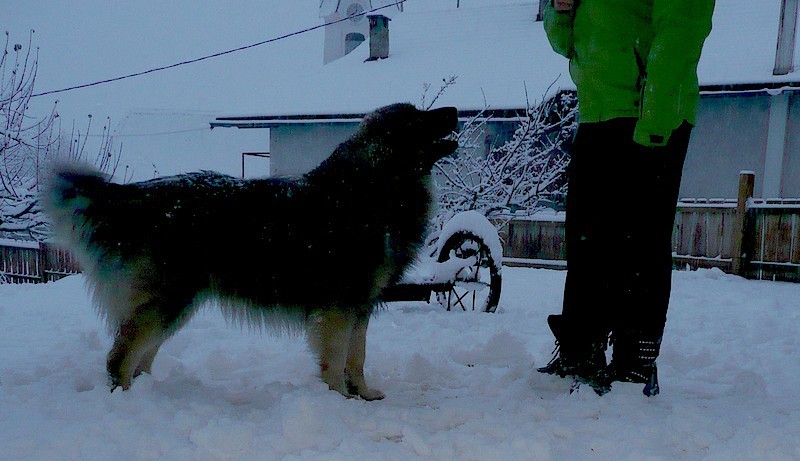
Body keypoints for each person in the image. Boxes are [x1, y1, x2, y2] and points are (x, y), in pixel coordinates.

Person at [537, 0, 715, 396]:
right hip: (597, 111)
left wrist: (655, 117)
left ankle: (636, 359)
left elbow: (683, 26)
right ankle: (581, 349)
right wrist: (560, 8)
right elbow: (565, 43)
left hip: (650, 109)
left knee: (641, 240)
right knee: (586, 239)